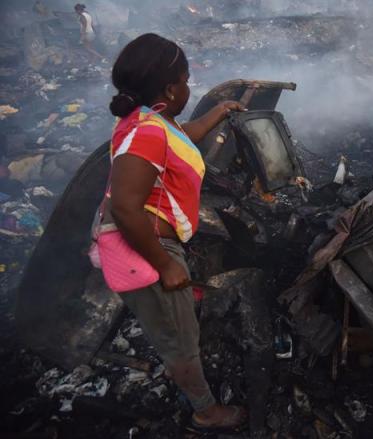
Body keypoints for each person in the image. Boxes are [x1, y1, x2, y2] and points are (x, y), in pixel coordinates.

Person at [105, 33, 247, 433]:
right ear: (171, 88)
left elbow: (181, 136)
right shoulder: (147, 133)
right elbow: (124, 207)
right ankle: (205, 410)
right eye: (186, 79)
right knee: (179, 341)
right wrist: (166, 264)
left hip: (154, 240)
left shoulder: (151, 119)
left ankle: (183, 363)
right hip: (149, 250)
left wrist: (218, 112)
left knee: (176, 326)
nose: (190, 86)